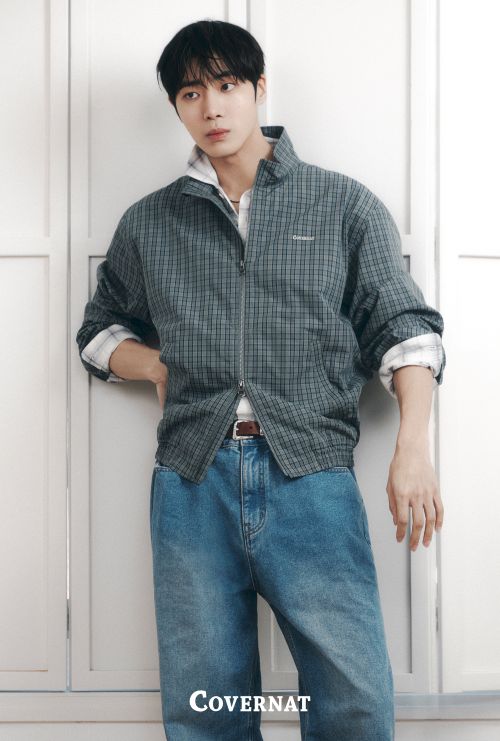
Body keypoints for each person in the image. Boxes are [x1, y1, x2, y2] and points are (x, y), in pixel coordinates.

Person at [75, 19, 445, 741]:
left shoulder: (342, 204)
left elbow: (406, 331)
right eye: (191, 93)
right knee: (206, 705)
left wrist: (413, 447)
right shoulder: (150, 222)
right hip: (191, 480)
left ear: (258, 88)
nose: (211, 107)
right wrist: (153, 363)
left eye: (226, 85)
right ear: (177, 107)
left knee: (353, 700)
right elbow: (97, 333)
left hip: (312, 473)